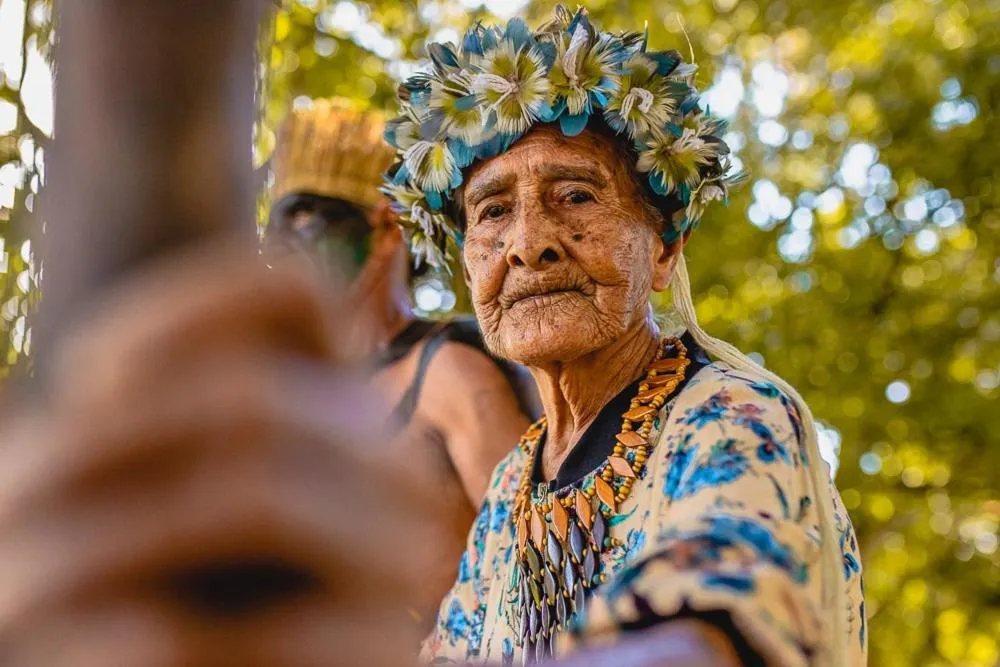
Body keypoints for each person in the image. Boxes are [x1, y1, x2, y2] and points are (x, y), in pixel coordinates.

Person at [380, 7, 866, 666]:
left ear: (664, 250)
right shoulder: (508, 493)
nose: (528, 244)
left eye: (575, 196)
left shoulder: (732, 416)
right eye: (492, 211)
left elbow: (703, 632)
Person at [264, 100, 539, 622]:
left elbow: (536, 568)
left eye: (306, 233)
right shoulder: (291, 398)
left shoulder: (448, 374)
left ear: (386, 231)